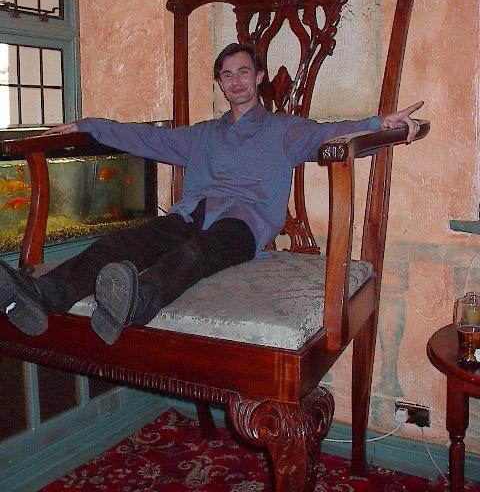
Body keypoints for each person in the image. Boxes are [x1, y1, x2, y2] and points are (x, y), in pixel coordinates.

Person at [0, 43, 423, 345]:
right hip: (189, 215)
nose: (236, 81)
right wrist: (90, 126)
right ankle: (42, 295)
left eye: (243, 72)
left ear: (258, 76)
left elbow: (333, 133)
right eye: (227, 75)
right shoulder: (202, 135)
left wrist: (381, 124)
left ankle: (136, 301)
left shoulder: (284, 130)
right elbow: (146, 138)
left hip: (242, 227)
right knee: (119, 243)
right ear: (220, 83)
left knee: (195, 254)